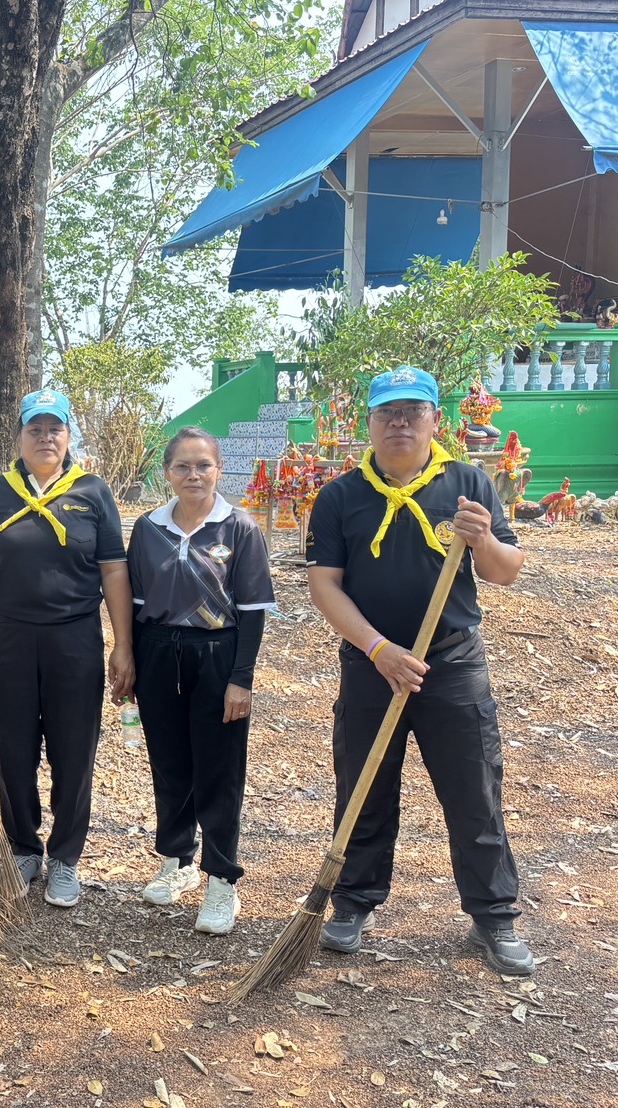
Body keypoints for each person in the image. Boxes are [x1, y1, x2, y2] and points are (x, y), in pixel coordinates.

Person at [306, 365, 532, 975]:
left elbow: (505, 571)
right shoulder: (340, 496)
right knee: (364, 785)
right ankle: (353, 902)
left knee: (473, 789)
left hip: (451, 664)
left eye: (412, 411)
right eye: (387, 412)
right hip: (371, 664)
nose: (399, 422)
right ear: (370, 423)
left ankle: (494, 914)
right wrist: (378, 649)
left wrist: (482, 540)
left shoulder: (467, 484)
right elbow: (324, 586)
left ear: (436, 419)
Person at [0, 390, 132, 910]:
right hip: (8, 637)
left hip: (74, 637)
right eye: (35, 429)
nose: (45, 438)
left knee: (74, 749)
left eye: (55, 429)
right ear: (19, 437)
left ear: (69, 436)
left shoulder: (93, 492)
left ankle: (66, 856)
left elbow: (113, 570)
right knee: (12, 746)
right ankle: (23, 847)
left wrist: (123, 644)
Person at [124, 427, 275, 934]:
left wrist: (241, 679)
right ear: (167, 472)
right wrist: (131, 660)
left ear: (218, 470)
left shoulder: (240, 528)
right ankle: (177, 860)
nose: (194, 475)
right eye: (183, 466)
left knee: (219, 767)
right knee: (169, 762)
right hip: (158, 652)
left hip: (217, 653)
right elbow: (137, 602)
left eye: (203, 465)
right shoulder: (149, 528)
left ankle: (222, 879)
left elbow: (252, 610)